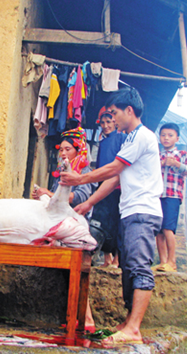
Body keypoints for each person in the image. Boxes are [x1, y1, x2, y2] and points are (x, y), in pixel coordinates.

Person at [60, 87, 163, 345]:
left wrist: (81, 178)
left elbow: (114, 168)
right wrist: (88, 204)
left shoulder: (142, 136)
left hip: (142, 211)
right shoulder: (129, 139)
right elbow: (117, 177)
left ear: (129, 111)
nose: (112, 119)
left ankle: (134, 329)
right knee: (128, 266)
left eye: (114, 113)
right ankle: (129, 323)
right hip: (129, 211)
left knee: (138, 266)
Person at [32, 127, 98, 333]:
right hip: (63, 227)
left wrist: (48, 193)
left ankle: (86, 318)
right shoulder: (61, 173)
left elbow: (77, 198)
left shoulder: (84, 173)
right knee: (68, 273)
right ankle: (78, 318)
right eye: (61, 149)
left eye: (68, 149)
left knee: (78, 272)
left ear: (79, 151)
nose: (62, 153)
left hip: (79, 228)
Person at [153, 123, 187, 272]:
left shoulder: (182, 155)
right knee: (158, 230)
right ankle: (162, 261)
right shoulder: (157, 156)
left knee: (168, 229)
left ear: (177, 138)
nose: (166, 138)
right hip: (158, 195)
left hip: (172, 195)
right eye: (163, 135)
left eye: (170, 135)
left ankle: (172, 261)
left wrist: (177, 164)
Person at [90, 109, 127, 268]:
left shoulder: (122, 138)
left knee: (117, 222)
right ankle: (107, 258)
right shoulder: (102, 143)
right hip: (102, 186)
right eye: (103, 123)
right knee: (102, 221)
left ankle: (117, 259)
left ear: (115, 122)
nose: (105, 126)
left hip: (118, 187)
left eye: (109, 122)